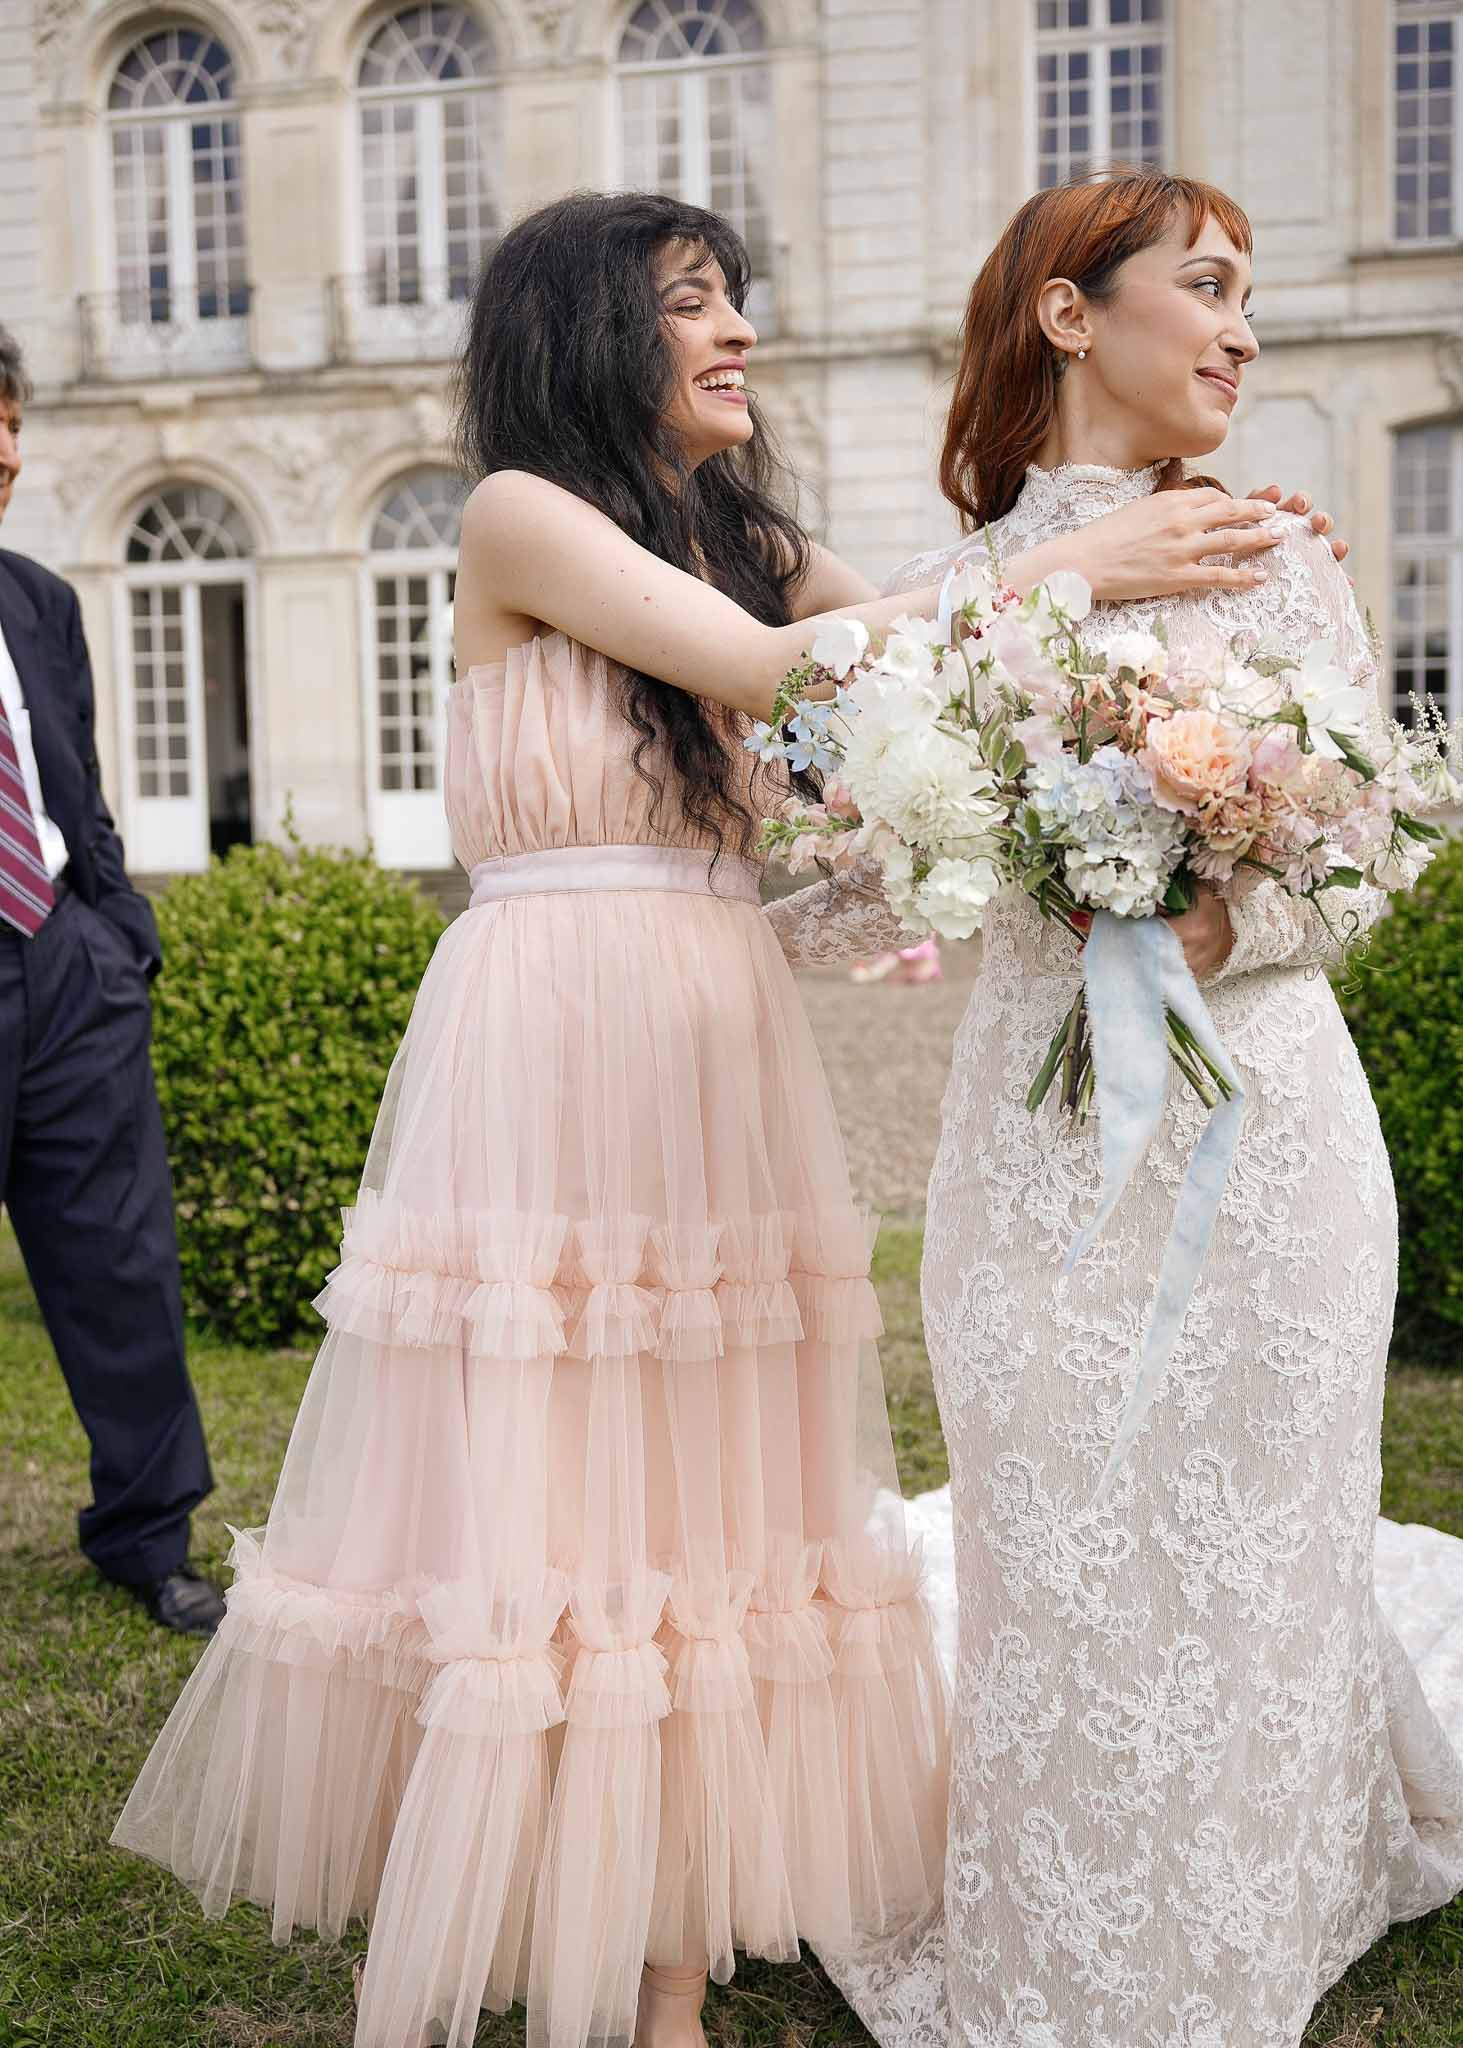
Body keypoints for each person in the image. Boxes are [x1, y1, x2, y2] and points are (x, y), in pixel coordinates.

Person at [110, 191, 1352, 2048]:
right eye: (694, 304)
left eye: (739, 300)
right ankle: (532, 1889)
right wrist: (1081, 563)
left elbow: (926, 661)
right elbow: (788, 675)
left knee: (711, 1481)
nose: (738, 334)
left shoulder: (748, 531)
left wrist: (1153, 578)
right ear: (591, 333)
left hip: (714, 1022)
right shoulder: (519, 513)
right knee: (551, 1472)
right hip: (550, 1028)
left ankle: (672, 1948)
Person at [799, 170, 1463, 2048]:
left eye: (1250, 293)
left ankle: (1261, 1899)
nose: (1244, 327)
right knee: (1066, 1537)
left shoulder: (1284, 549)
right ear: (1074, 317)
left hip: (1278, 1132)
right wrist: (1012, 652)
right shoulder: (951, 598)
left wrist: (1233, 896)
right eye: (1211, 286)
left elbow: (1387, 834)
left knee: (1263, 1533)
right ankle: (1074, 1935)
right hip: (1039, 1144)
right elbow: (827, 857)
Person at [0, 324, 222, 1637]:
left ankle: (148, 1535)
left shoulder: (40, 601)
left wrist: (116, 916)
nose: (9, 450)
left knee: (121, 1261)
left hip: (67, 967)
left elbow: (67, 777)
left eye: (16, 422)